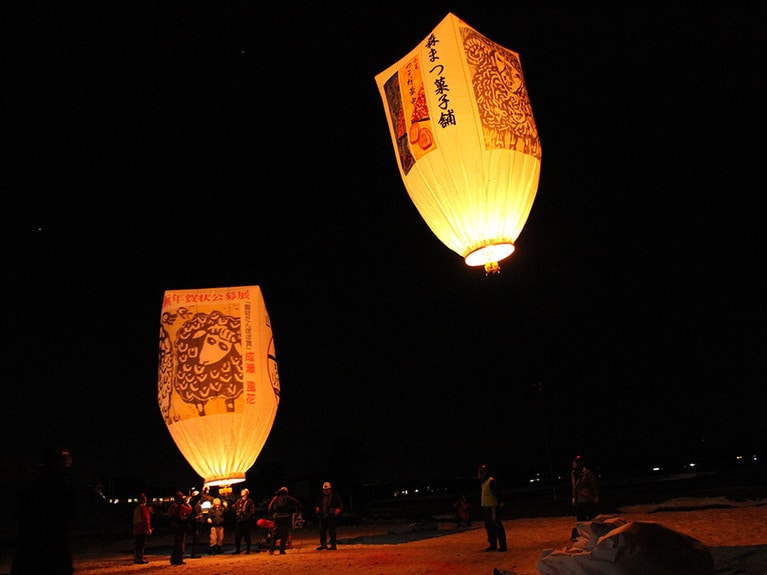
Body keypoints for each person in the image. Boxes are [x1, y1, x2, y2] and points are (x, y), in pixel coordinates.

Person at [11, 446, 79, 575]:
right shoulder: (63, 488)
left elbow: (19, 514)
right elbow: (74, 517)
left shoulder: (31, 486)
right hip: (54, 549)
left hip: (31, 549)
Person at [478, 464, 507, 552]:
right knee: (489, 527)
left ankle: (503, 545)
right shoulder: (484, 482)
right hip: (486, 507)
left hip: (492, 507)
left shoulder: (491, 481)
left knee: (496, 525)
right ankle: (493, 544)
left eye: (480, 473)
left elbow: (498, 492)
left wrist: (500, 502)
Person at [268, 486, 302, 555]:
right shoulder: (287, 497)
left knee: (274, 533)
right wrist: (298, 511)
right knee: (284, 534)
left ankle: (271, 550)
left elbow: (269, 507)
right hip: (285, 517)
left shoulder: (275, 498)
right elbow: (297, 503)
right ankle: (282, 550)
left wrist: (273, 514)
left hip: (276, 517)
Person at [314, 481, 343, 550]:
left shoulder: (335, 496)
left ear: (330, 489)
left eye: (327, 490)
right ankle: (323, 544)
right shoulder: (321, 497)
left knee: (332, 531)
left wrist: (337, 510)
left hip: (331, 516)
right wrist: (317, 508)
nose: (326, 491)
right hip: (322, 516)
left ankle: (333, 545)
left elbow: (339, 505)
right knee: (322, 531)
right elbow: (317, 504)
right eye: (325, 490)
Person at [571, 455, 600, 521]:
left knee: (591, 518)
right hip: (579, 499)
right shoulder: (573, 473)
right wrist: (574, 497)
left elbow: (594, 484)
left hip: (587, 499)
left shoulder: (588, 473)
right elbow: (574, 487)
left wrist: (596, 496)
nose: (573, 464)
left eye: (575, 462)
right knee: (580, 519)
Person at [168, 490, 192, 565]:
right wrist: (186, 503)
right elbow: (189, 510)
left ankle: (174, 559)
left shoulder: (173, 505)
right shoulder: (180, 506)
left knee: (177, 542)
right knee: (180, 542)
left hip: (176, 525)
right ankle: (178, 559)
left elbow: (170, 514)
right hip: (180, 525)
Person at [233, 487, 256, 554]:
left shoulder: (249, 501)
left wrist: (246, 517)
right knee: (237, 536)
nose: (241, 492)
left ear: (246, 493)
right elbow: (233, 508)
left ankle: (248, 550)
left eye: (243, 491)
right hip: (238, 521)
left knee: (247, 536)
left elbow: (252, 511)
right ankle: (237, 550)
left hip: (246, 522)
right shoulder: (238, 501)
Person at [132, 493, 152, 564]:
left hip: (137, 528)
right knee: (141, 543)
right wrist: (148, 528)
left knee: (138, 543)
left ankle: (137, 557)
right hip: (141, 528)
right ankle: (139, 558)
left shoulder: (137, 507)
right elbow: (145, 519)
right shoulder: (143, 507)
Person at [187, 488, 204, 558]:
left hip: (195, 521)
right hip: (195, 521)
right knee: (196, 537)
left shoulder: (192, 502)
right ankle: (194, 553)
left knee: (196, 537)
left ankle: (195, 552)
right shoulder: (194, 502)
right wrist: (204, 488)